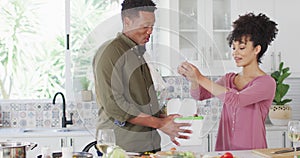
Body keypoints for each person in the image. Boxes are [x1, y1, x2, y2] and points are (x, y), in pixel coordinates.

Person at [92, 0, 191, 153]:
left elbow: (142, 101)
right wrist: (160, 124)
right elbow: (115, 105)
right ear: (127, 21)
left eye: (152, 26)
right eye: (145, 26)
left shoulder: (140, 54)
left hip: (148, 147)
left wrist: (164, 119)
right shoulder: (110, 53)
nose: (150, 31)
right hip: (122, 150)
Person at [177, 12, 278, 151]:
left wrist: (200, 77)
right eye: (234, 48)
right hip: (224, 150)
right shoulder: (229, 79)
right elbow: (200, 95)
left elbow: (237, 99)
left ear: (257, 49)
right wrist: (193, 79)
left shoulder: (266, 83)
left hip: (253, 152)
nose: (235, 53)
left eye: (241, 48)